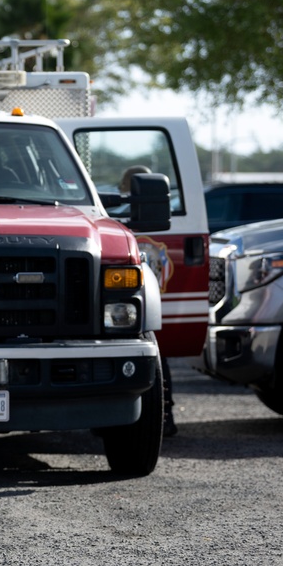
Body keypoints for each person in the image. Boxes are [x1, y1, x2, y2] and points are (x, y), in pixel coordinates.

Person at [119, 164, 178, 437]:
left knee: (154, 359)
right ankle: (166, 416)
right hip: (139, 305)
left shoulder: (115, 223)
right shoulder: (132, 222)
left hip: (132, 306)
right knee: (158, 360)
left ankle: (161, 416)